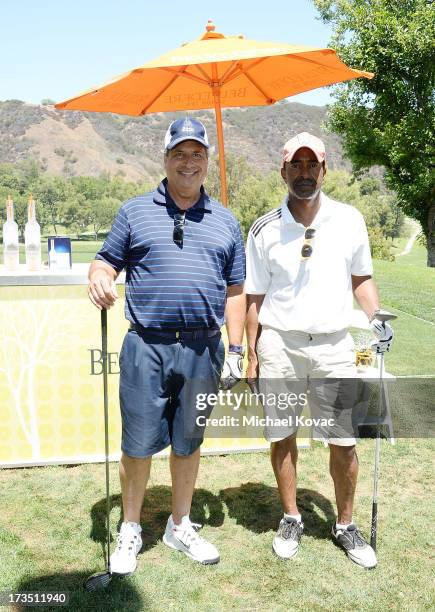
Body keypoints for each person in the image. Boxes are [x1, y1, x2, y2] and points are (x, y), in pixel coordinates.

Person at [88, 117, 246, 573]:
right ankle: (131, 528)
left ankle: (180, 525)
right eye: (180, 153)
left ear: (207, 162)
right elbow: (104, 262)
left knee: (188, 442)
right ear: (166, 158)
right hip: (147, 346)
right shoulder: (135, 211)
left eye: (197, 154)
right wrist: (98, 278)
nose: (189, 162)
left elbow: (235, 290)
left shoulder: (226, 221)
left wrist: (236, 350)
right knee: (137, 445)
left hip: (203, 348)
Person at [245, 132, 394, 569]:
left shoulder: (349, 220)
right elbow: (254, 296)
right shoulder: (264, 227)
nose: (304, 173)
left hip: (334, 345)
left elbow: (361, 280)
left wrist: (376, 316)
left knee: (344, 442)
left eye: (313, 165)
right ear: (283, 170)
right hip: (279, 344)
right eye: (296, 165)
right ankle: (291, 516)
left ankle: (344, 524)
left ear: (325, 170)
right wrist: (252, 353)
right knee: (282, 435)